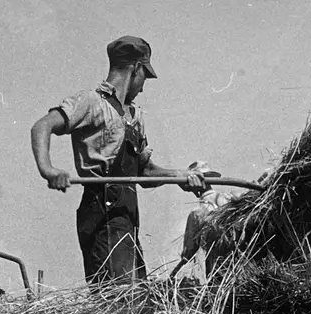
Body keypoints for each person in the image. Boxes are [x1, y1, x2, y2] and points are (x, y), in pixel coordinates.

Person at [31, 36, 207, 285]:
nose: (144, 87)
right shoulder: (92, 103)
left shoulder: (133, 117)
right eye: (145, 76)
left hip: (126, 218)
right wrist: (48, 170)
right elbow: (42, 126)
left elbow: (144, 174)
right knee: (119, 303)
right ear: (136, 67)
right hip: (102, 212)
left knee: (138, 302)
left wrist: (180, 177)